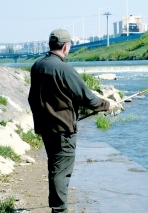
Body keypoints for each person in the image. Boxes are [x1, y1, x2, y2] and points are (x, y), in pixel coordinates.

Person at [28, 28, 117, 213]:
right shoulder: (65, 69)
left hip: (46, 128)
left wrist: (39, 126)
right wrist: (107, 105)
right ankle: (59, 210)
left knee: (54, 166)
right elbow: (88, 98)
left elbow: (32, 99)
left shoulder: (37, 66)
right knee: (61, 171)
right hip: (63, 130)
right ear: (66, 47)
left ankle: (57, 207)